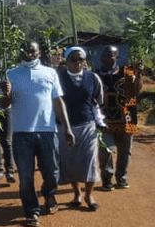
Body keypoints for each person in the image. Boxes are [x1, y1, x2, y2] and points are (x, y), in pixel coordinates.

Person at [0, 41, 75, 227]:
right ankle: (31, 211)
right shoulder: (11, 74)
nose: (29, 53)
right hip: (21, 133)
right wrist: (6, 94)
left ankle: (49, 194)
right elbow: (4, 105)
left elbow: (58, 102)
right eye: (25, 49)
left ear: (39, 52)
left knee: (52, 172)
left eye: (32, 50)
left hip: (47, 131)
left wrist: (67, 127)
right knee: (26, 177)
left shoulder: (50, 73)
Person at [57, 47, 103, 210]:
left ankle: (89, 195)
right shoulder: (59, 78)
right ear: (66, 61)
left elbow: (97, 100)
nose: (78, 63)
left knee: (90, 160)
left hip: (87, 124)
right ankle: (76, 193)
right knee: (69, 161)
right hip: (64, 126)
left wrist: (100, 121)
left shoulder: (92, 78)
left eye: (81, 59)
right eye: (74, 60)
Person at [96, 45, 143, 190]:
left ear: (117, 57)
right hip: (104, 118)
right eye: (104, 55)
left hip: (127, 116)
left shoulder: (128, 72)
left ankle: (121, 177)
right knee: (105, 150)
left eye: (110, 55)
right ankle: (107, 179)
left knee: (125, 150)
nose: (106, 58)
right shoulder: (96, 74)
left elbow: (137, 90)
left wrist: (138, 74)